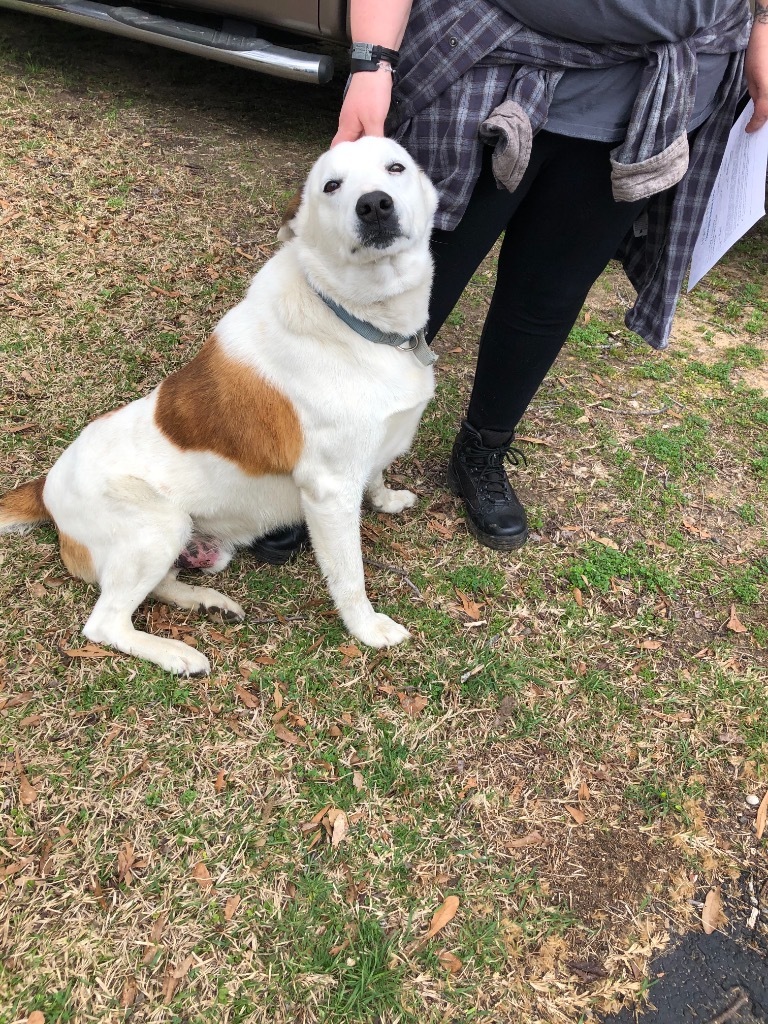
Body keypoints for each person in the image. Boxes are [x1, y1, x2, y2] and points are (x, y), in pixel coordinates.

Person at [250, 0, 768, 563]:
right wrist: (371, 61)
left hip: (646, 96)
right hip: (489, 69)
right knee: (393, 288)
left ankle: (483, 447)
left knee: (548, 295)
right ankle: (302, 456)